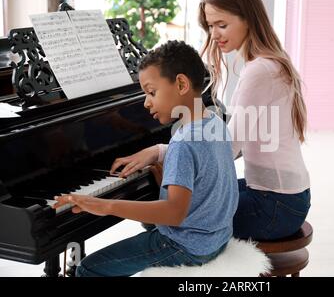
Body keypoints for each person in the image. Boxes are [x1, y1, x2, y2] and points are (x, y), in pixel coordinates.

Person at [118, 0, 311, 242]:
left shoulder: (259, 70)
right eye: (211, 26)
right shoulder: (269, 62)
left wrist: (160, 152)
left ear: (249, 18)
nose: (215, 34)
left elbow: (226, 149)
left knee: (165, 220)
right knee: (179, 205)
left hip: (274, 207)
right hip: (284, 197)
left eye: (222, 24)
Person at [53, 40, 239, 277]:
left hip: (186, 246)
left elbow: (173, 213)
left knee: (89, 268)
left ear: (181, 83)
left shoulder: (183, 143)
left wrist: (105, 205)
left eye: (152, 92)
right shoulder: (214, 123)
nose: (145, 102)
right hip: (216, 237)